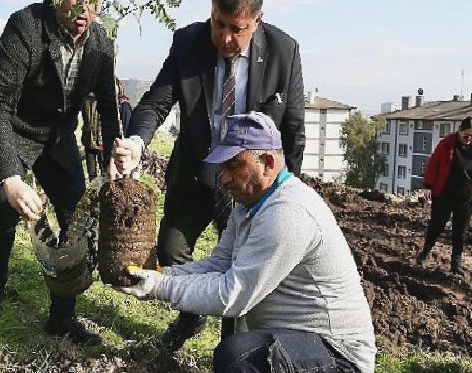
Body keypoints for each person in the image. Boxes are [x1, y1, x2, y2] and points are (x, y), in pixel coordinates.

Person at [112, 0, 305, 351]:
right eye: (219, 24)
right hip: (196, 172)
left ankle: (231, 346)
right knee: (171, 248)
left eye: (237, 29)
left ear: (256, 22)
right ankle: (190, 316)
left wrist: (282, 194)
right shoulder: (188, 42)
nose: (226, 38)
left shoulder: (284, 51)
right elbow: (157, 101)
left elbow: (293, 131)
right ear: (211, 12)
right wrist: (137, 141)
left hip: (250, 186)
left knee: (239, 266)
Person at [120, 112, 376, 373]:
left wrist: (160, 287)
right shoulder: (248, 205)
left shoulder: (289, 212)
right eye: (221, 167)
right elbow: (221, 264)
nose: (223, 177)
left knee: (238, 358)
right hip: (297, 340)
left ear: (267, 162)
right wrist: (159, 274)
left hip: (338, 356)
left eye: (233, 166)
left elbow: (234, 295)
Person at [0, 0, 120, 346]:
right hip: (14, 129)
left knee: (77, 218)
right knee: (1, 205)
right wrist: (10, 177)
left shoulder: (101, 42)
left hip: (58, 140)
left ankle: (63, 316)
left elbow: (107, 107)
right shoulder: (26, 26)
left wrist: (112, 158)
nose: (83, 9)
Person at [417, 116, 472, 276]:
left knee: (460, 231)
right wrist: (428, 185)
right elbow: (433, 163)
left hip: (466, 197)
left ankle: (456, 264)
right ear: (460, 132)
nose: (469, 139)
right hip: (445, 194)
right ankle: (424, 254)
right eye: (466, 136)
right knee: (437, 226)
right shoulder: (447, 144)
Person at [81, 93, 103, 180]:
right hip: (89, 140)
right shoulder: (84, 99)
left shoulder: (106, 99)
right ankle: (94, 191)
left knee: (105, 171)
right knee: (92, 174)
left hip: (102, 141)